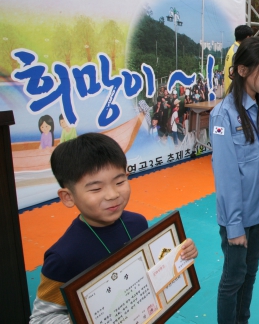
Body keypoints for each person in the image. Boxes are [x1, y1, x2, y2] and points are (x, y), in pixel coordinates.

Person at [29, 133, 198, 323]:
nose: (112, 194)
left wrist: (179, 256)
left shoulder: (138, 223)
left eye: (119, 182)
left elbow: (152, 270)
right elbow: (41, 319)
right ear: (68, 197)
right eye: (96, 189)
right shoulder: (64, 257)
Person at [209, 37, 259, 324]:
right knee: (233, 280)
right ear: (242, 70)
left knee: (250, 274)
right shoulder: (224, 115)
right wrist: (235, 226)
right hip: (237, 219)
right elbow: (226, 178)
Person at [224, 25, 253, 93]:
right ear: (248, 37)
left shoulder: (232, 49)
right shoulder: (238, 51)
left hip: (231, 91)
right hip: (236, 92)